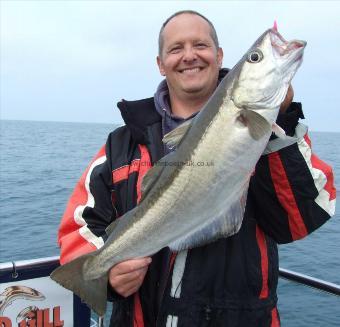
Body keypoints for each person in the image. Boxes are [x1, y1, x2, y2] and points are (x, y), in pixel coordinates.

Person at [57, 10, 336, 327]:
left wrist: (281, 122)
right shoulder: (121, 145)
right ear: (161, 64)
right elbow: (78, 226)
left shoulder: (275, 133)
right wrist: (106, 276)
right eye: (176, 49)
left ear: (219, 56)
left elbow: (300, 221)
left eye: (200, 45)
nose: (189, 56)